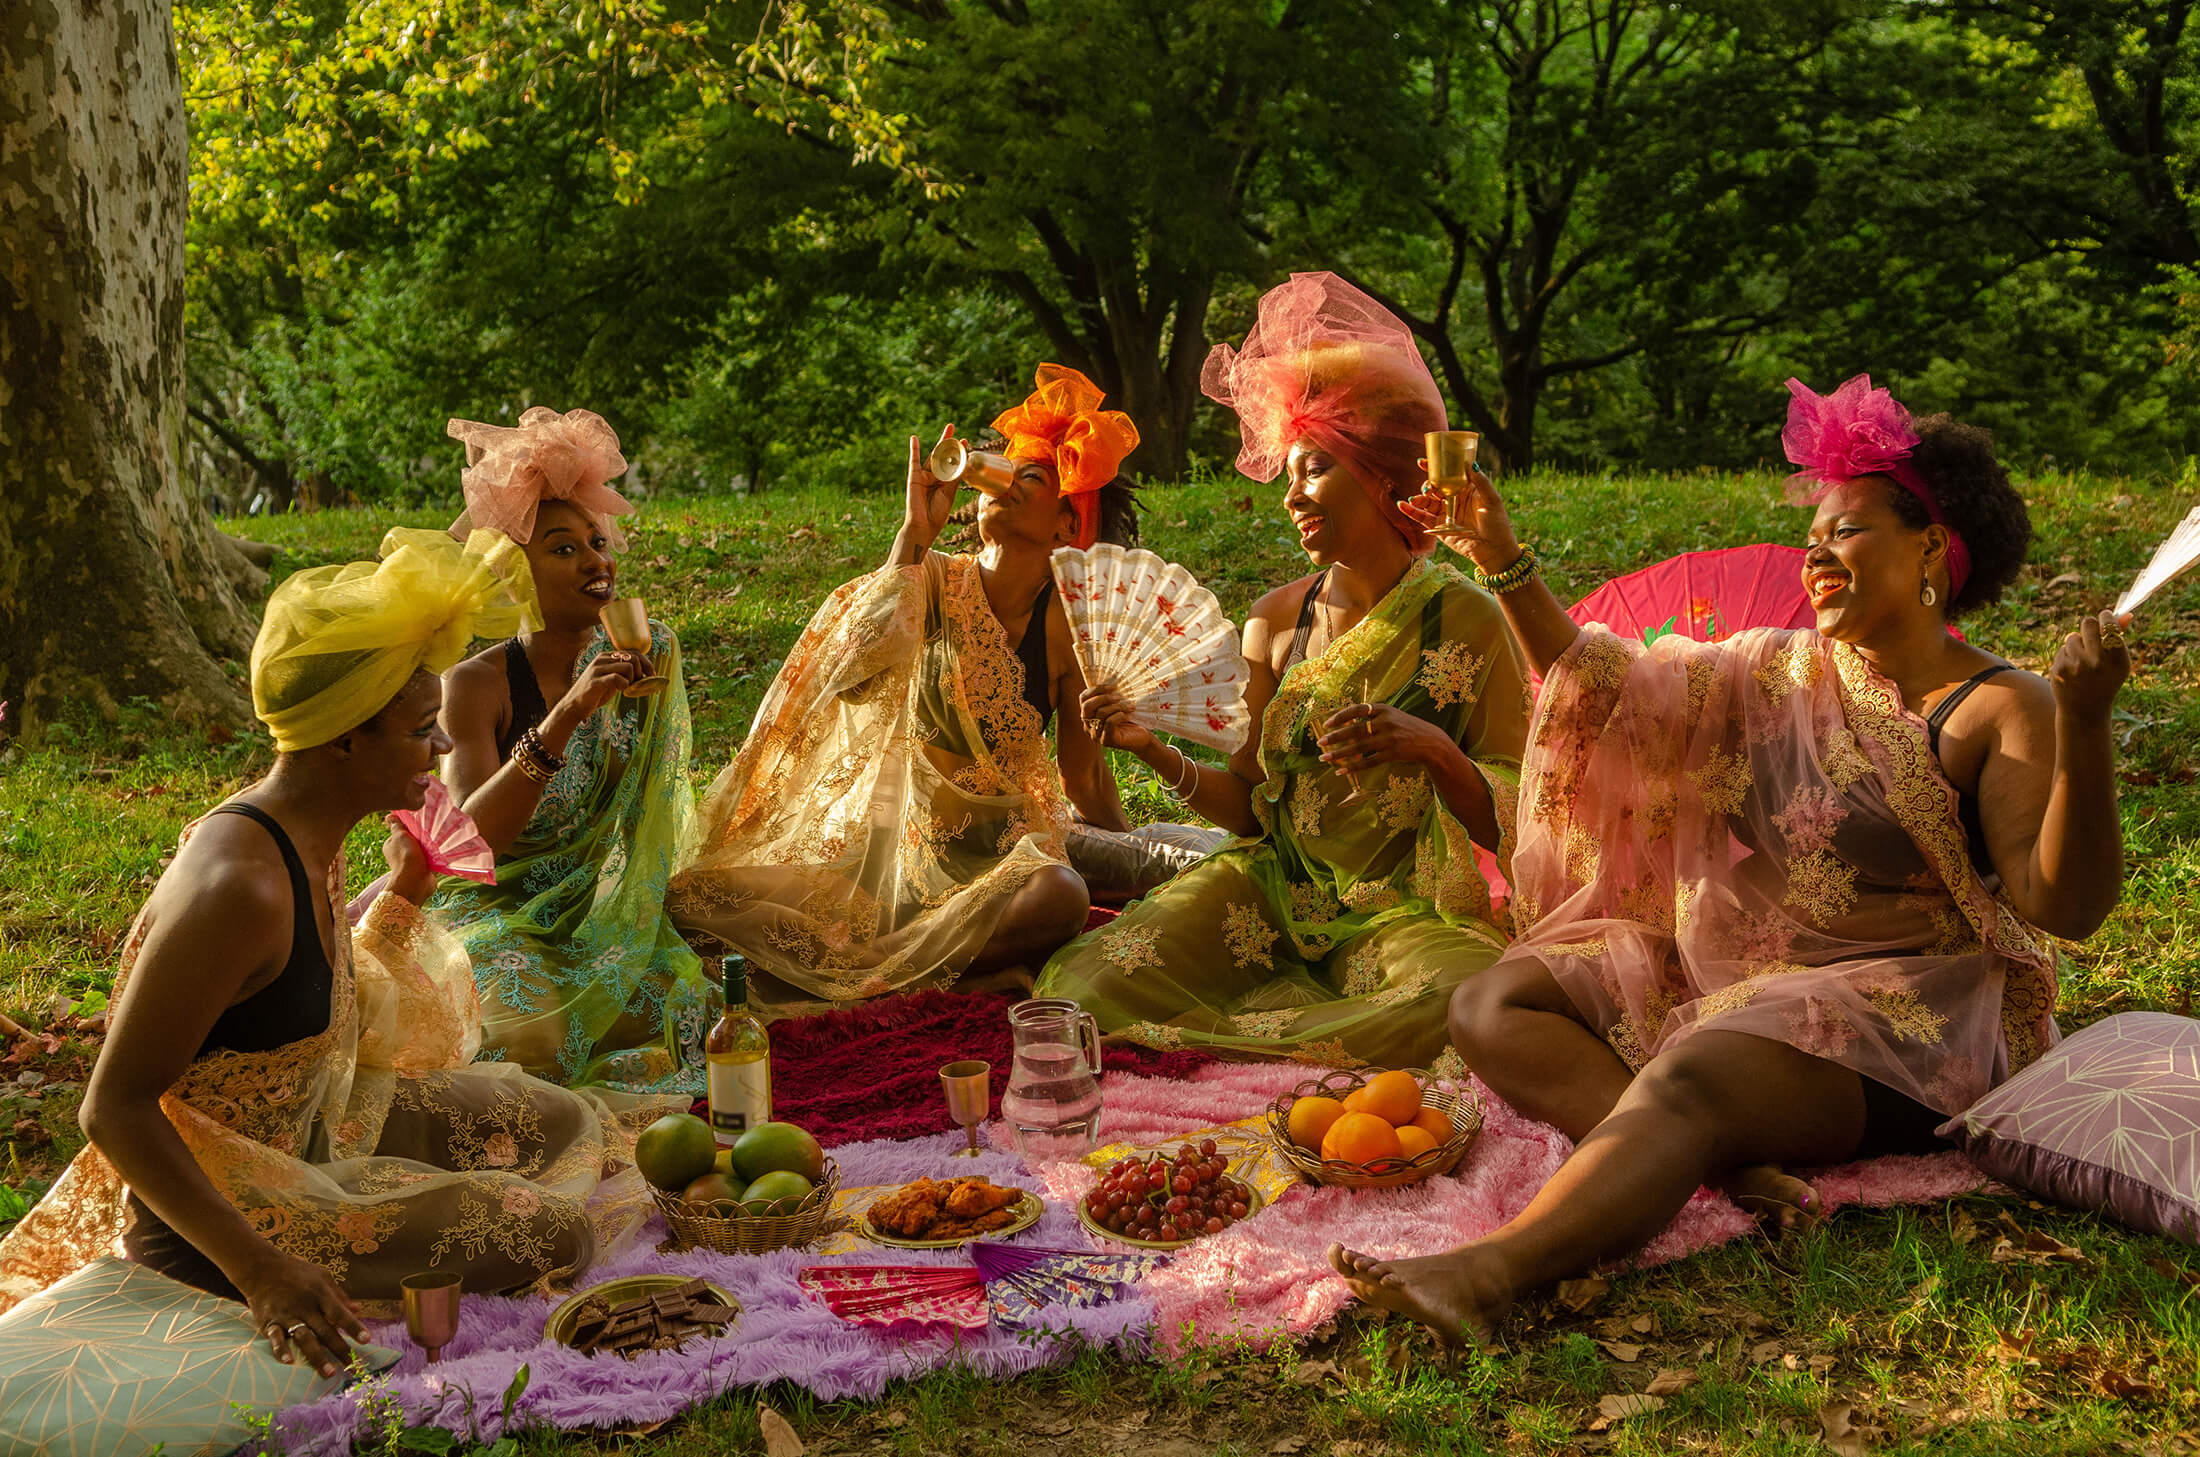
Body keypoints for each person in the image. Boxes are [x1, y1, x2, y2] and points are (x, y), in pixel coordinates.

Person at [1328, 373, 2132, 1342]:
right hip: (1747, 974)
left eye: (1846, 531)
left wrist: (2084, 724)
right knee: (1490, 1002)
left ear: (1929, 547)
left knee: (1689, 1072)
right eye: (1811, 538)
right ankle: (1708, 1157)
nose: (1817, 555)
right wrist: (1501, 558)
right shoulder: (1771, 671)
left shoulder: (2002, 705)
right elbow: (1602, 686)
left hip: (1908, 1021)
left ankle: (1490, 1271)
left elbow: (2065, 905)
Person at [0, 531, 675, 1376]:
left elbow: (317, 1000)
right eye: (420, 729)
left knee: (563, 1120)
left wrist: (411, 889)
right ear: (344, 742)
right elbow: (112, 1109)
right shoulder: (237, 888)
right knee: (548, 1230)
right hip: (232, 1206)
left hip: (328, 1119)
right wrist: (262, 1272)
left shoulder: (312, 832)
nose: (438, 748)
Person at [1034, 273, 1529, 1066]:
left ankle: (1246, 1046)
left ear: (1383, 478)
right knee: (1082, 995)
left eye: (1316, 470)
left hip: (1399, 917)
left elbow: (1514, 824)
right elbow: (1248, 812)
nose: (1291, 496)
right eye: (1289, 473)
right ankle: (1285, 1038)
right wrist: (1154, 749)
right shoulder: (1273, 618)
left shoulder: (1466, 618)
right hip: (1266, 891)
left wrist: (1431, 748)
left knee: (1464, 999)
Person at [669, 364, 1196, 1001]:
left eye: (1030, 477)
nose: (1001, 480)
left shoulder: (1068, 625)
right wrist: (912, 539)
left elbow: (1081, 777)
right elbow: (849, 675)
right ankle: (931, 971)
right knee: (690, 900)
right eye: (1001, 469)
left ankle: (882, 972)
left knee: (1067, 893)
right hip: (885, 853)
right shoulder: (931, 577)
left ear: (1067, 526)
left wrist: (1130, 851)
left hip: (1006, 854)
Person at [434, 407, 711, 1091]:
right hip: (495, 911)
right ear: (515, 575)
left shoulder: (650, 649)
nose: (596, 562)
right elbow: (468, 845)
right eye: (563, 549)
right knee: (538, 1044)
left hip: (600, 908)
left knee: (692, 1011)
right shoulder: (474, 686)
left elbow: (650, 819)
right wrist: (566, 715)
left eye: (598, 541)